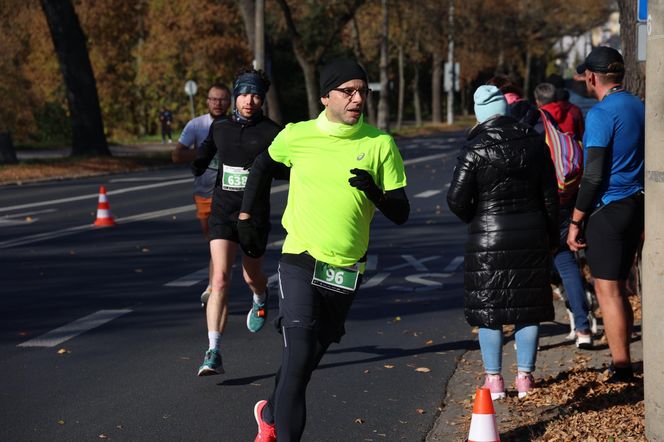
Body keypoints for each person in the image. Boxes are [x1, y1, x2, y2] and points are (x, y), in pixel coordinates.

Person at [238, 58, 409, 441]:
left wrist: (376, 193)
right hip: (300, 257)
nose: (357, 98)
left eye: (362, 91)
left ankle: (269, 410)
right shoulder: (298, 135)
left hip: (347, 268)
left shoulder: (380, 145)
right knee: (298, 353)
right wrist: (248, 217)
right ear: (325, 96)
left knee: (307, 361)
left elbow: (401, 213)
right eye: (347, 91)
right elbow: (262, 166)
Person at [447, 85, 559, 400]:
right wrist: (551, 236)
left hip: (488, 237)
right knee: (528, 307)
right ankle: (525, 377)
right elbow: (550, 196)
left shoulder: (474, 148)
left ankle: (494, 380)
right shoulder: (535, 142)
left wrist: (477, 215)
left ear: (479, 113)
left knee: (489, 309)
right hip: (532, 232)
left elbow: (456, 200)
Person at [191, 68, 284, 377]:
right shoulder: (220, 127)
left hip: (253, 216)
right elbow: (207, 149)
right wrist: (199, 160)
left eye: (256, 95)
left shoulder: (273, 132)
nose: (249, 100)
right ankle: (213, 351)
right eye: (244, 94)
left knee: (250, 277)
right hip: (223, 212)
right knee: (218, 280)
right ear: (235, 97)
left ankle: (260, 295)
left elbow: (290, 167)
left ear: (262, 99)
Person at [567, 46, 644, 383]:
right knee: (620, 287)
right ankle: (623, 358)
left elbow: (594, 174)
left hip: (609, 207)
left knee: (607, 289)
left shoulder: (601, 114)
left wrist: (576, 220)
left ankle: (622, 367)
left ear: (592, 76)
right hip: (638, 203)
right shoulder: (638, 105)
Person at [533, 82, 593, 348]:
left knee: (535, 269)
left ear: (537, 100)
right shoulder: (574, 112)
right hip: (566, 195)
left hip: (541, 201)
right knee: (568, 265)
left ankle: (530, 338)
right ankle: (584, 328)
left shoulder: (536, 121)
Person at [172, 83, 231, 303]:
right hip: (203, 193)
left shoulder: (235, 124)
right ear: (207, 101)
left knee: (219, 239)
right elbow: (176, 156)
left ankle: (214, 285)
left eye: (222, 99)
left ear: (229, 102)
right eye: (214, 99)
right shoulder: (196, 125)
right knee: (212, 239)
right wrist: (204, 152)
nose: (218, 103)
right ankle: (219, 278)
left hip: (227, 192)